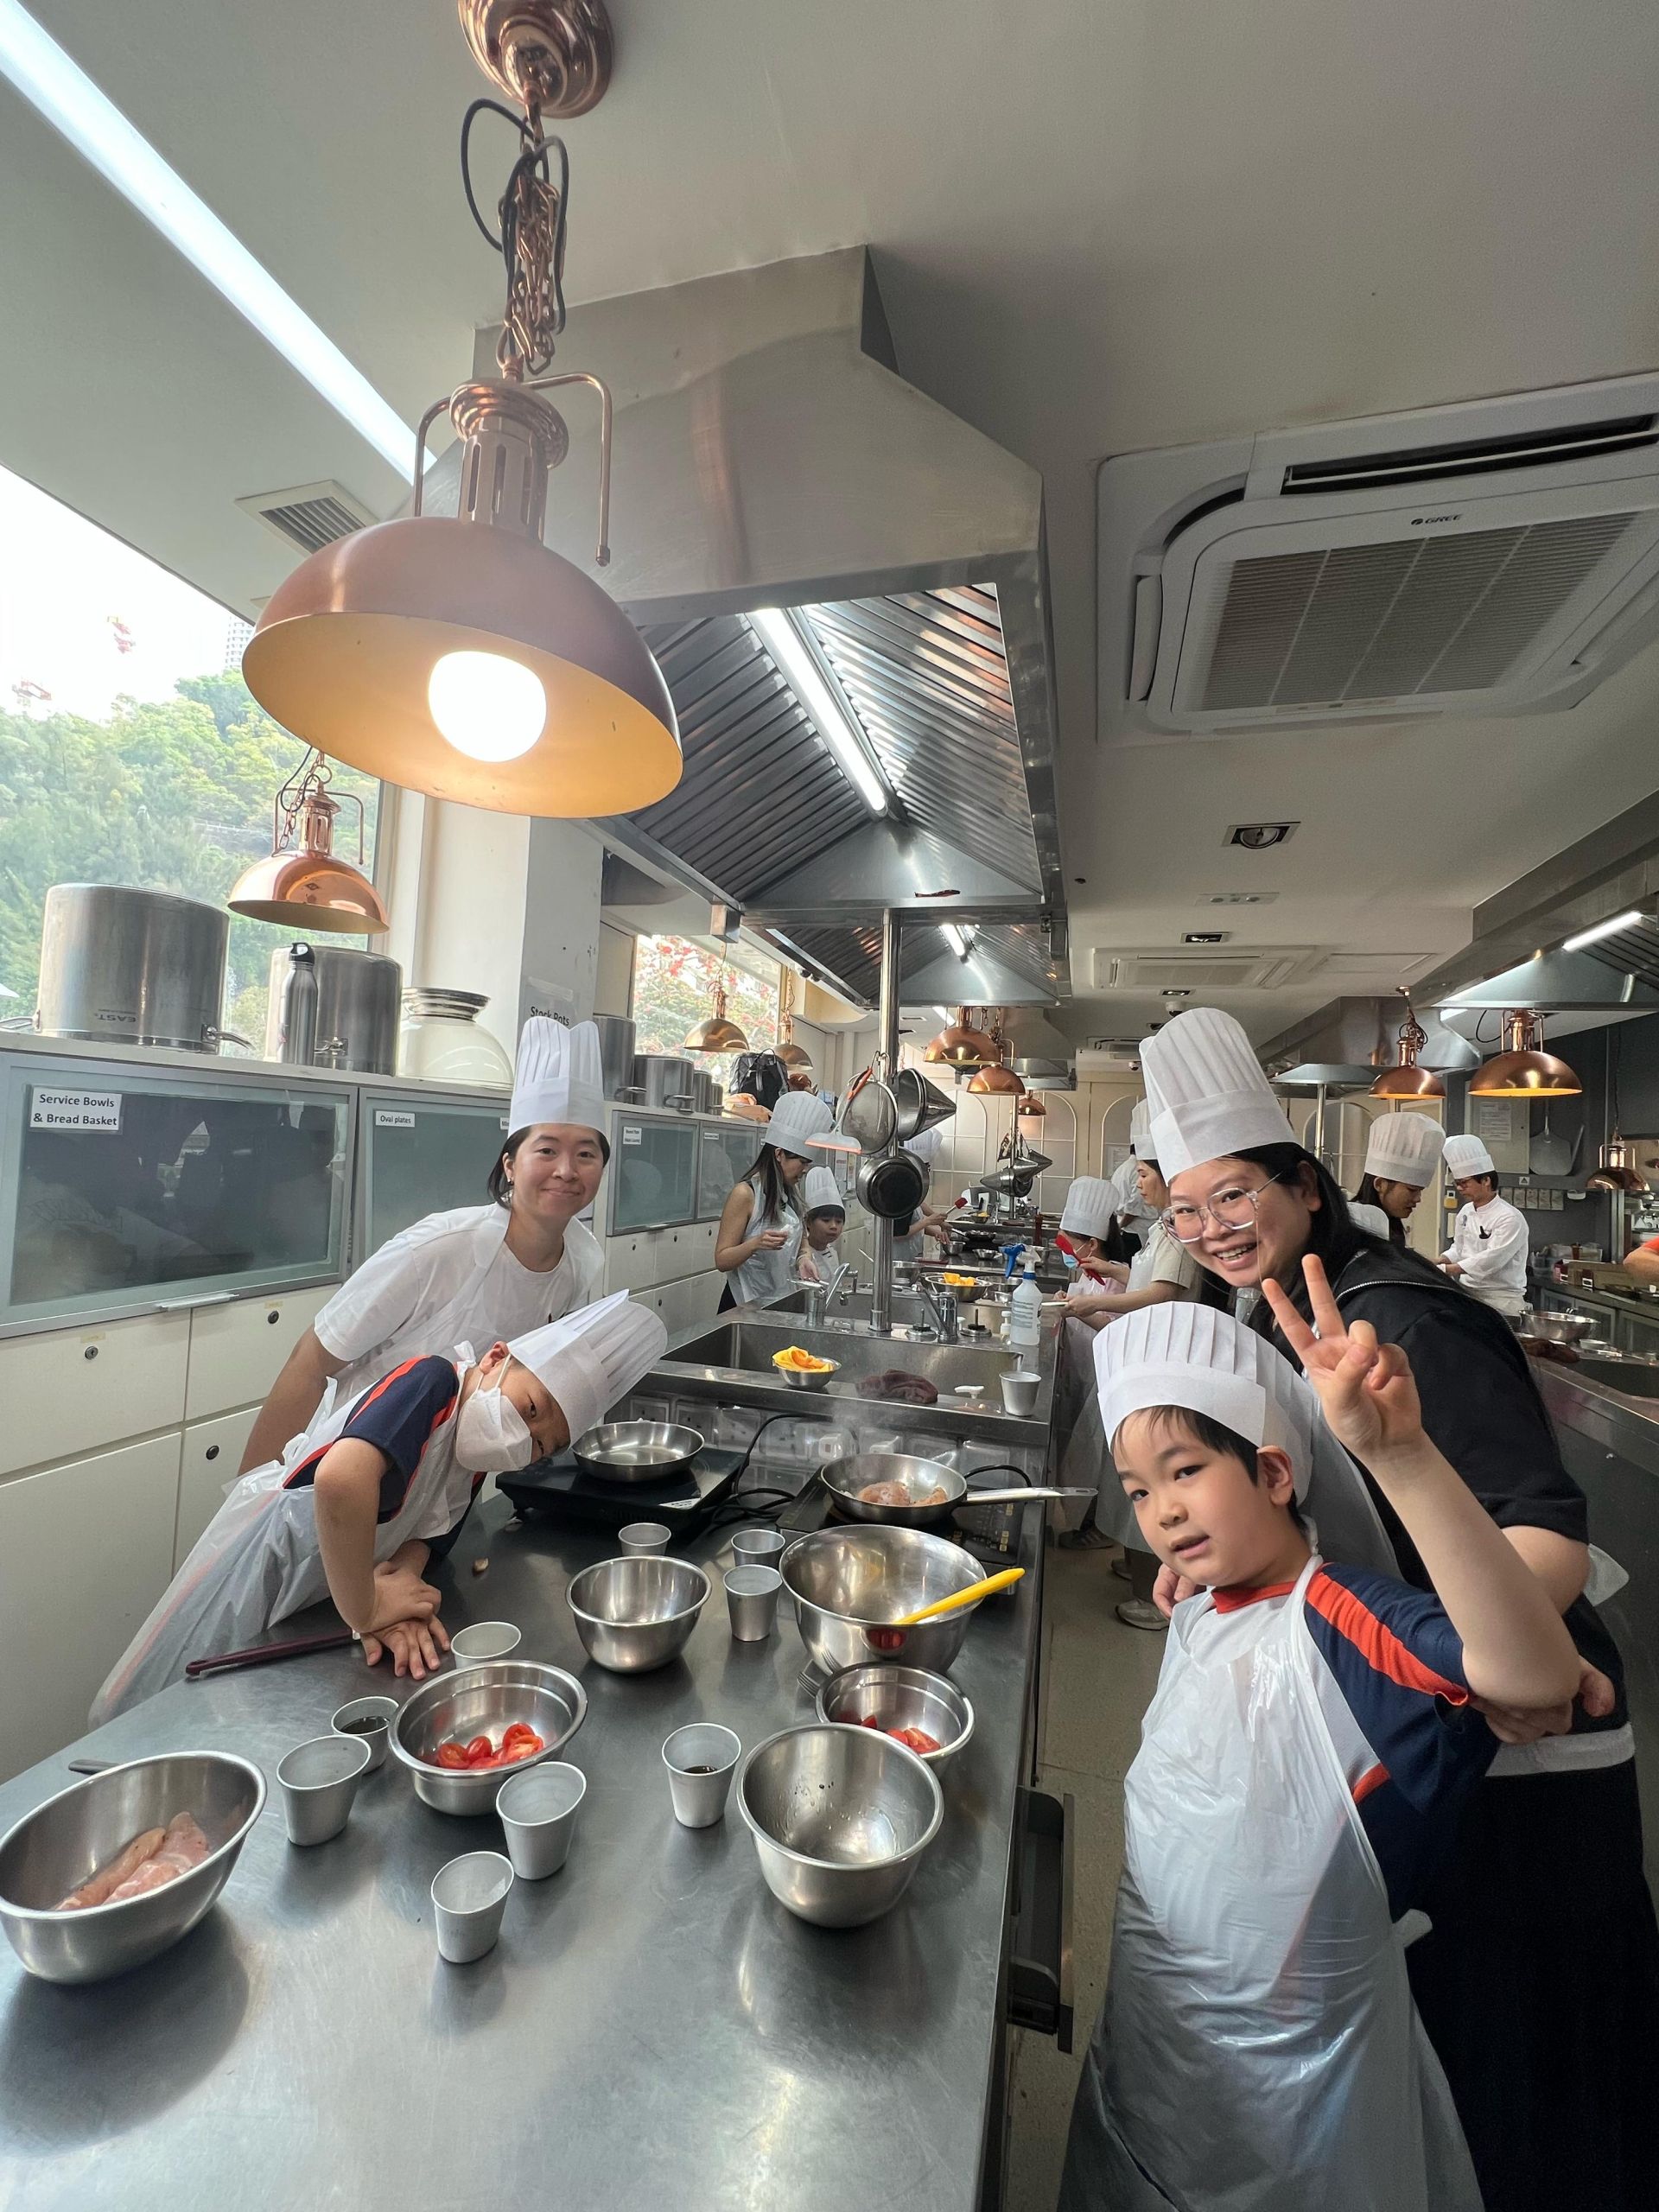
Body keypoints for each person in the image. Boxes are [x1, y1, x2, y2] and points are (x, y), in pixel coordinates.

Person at [1140, 1003, 1659, 2212]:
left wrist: (1485, 1666)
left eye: (1233, 1195)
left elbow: (1547, 1548)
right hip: (1420, 1716)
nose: (1211, 1229)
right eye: (1186, 1209)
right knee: (1442, 2050)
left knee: (1535, 2070)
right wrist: (1221, 1555)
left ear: (1303, 1185)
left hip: (1523, 1758)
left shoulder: (1405, 1317)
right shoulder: (1276, 1304)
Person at [1059, 1287, 1580, 2212]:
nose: (1163, 1512)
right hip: (1156, 2039)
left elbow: (1530, 1674)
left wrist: (1399, 1454)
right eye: (1138, 1490)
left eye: (1186, 1471)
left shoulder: (1347, 1625)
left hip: (1299, 2103)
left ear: (1273, 1472)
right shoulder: (1202, 1609)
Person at [94, 1294, 667, 1719]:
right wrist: (367, 1610)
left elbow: (432, 1535)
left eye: (541, 1445)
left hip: (321, 1595)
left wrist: (402, 1587)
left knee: (232, 1715)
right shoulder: (433, 1383)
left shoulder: (474, 1457)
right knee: (161, 1706)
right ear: (497, 1359)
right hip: (262, 1567)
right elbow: (341, 1481)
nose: (524, 1436)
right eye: (532, 1408)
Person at [240, 1017, 609, 1471]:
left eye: (586, 1154)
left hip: (444, 1481)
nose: (567, 1171)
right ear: (510, 1165)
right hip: (344, 1472)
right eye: (547, 1150)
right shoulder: (438, 1248)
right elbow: (311, 1361)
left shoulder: (580, 1261)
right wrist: (252, 1494)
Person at [714, 1090, 833, 1307]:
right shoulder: (745, 1194)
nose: (805, 1170)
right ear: (779, 1154)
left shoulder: (791, 1193)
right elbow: (722, 1259)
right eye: (802, 1162)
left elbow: (802, 1241)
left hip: (778, 1299)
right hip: (742, 1302)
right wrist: (755, 1244)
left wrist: (804, 1258)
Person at [1440, 1131, 1530, 1317]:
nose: (1459, 1188)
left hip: (1501, 1301)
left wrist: (1447, 1270)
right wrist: (1439, 1260)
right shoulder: (1466, 1211)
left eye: (1464, 1183)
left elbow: (1492, 1259)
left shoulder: (1509, 1217)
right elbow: (1459, 1249)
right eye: (1457, 1183)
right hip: (1469, 1295)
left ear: (1486, 1180)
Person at [1351, 1110, 1446, 1249]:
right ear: (1380, 1184)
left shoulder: (1390, 1225)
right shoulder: (1354, 1224)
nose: (1418, 1199)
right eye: (1412, 1190)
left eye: (1420, 1191)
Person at [797, 1165, 847, 1281]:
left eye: (839, 1221)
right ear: (808, 1222)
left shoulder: (832, 1252)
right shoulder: (802, 1259)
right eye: (826, 1220)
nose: (833, 1226)